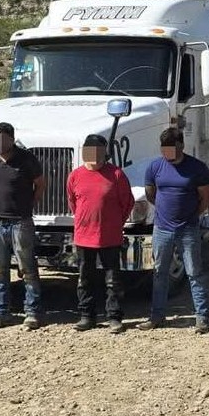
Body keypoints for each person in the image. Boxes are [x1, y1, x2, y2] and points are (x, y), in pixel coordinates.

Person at [139, 128, 209, 333]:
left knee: (194, 273)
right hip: (162, 229)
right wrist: (165, 212)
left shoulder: (197, 168)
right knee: (159, 273)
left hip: (188, 229)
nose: (167, 153)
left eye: (171, 148)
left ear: (181, 145)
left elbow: (207, 198)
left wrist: (192, 214)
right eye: (164, 149)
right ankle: (157, 316)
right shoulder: (155, 167)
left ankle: (202, 317)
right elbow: (151, 194)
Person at [66, 134, 135, 334]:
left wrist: (115, 223)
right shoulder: (75, 176)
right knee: (84, 278)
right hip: (84, 237)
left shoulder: (116, 175)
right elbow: (73, 202)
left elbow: (127, 202)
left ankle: (114, 316)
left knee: (112, 280)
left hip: (109, 236)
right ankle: (86, 315)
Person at [0, 122, 46, 330]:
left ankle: (32, 312)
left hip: (21, 222)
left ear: (11, 138)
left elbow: (40, 184)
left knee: (27, 268)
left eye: (3, 139)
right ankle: (1, 312)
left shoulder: (26, 159)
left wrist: (30, 203)